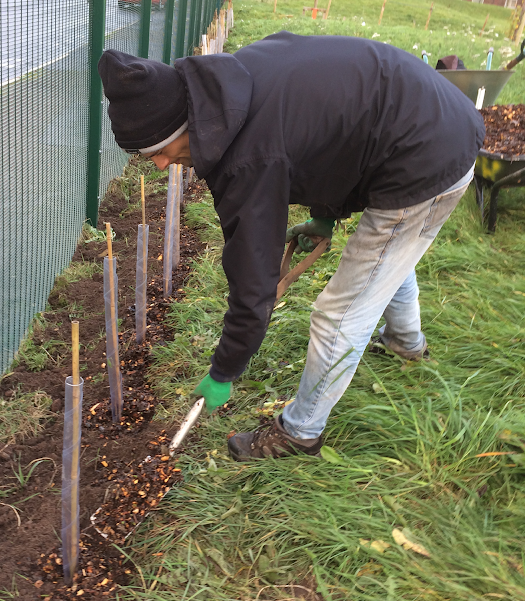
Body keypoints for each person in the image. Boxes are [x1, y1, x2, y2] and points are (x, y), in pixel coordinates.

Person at [98, 32, 485, 461]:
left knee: (339, 312)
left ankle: (300, 432)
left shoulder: (248, 155)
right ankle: (405, 342)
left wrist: (224, 370)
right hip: (425, 119)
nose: (159, 164)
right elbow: (328, 136)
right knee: (389, 257)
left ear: (183, 124)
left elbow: (254, 284)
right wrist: (325, 214)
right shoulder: (231, 88)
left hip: (428, 153)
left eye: (158, 149)